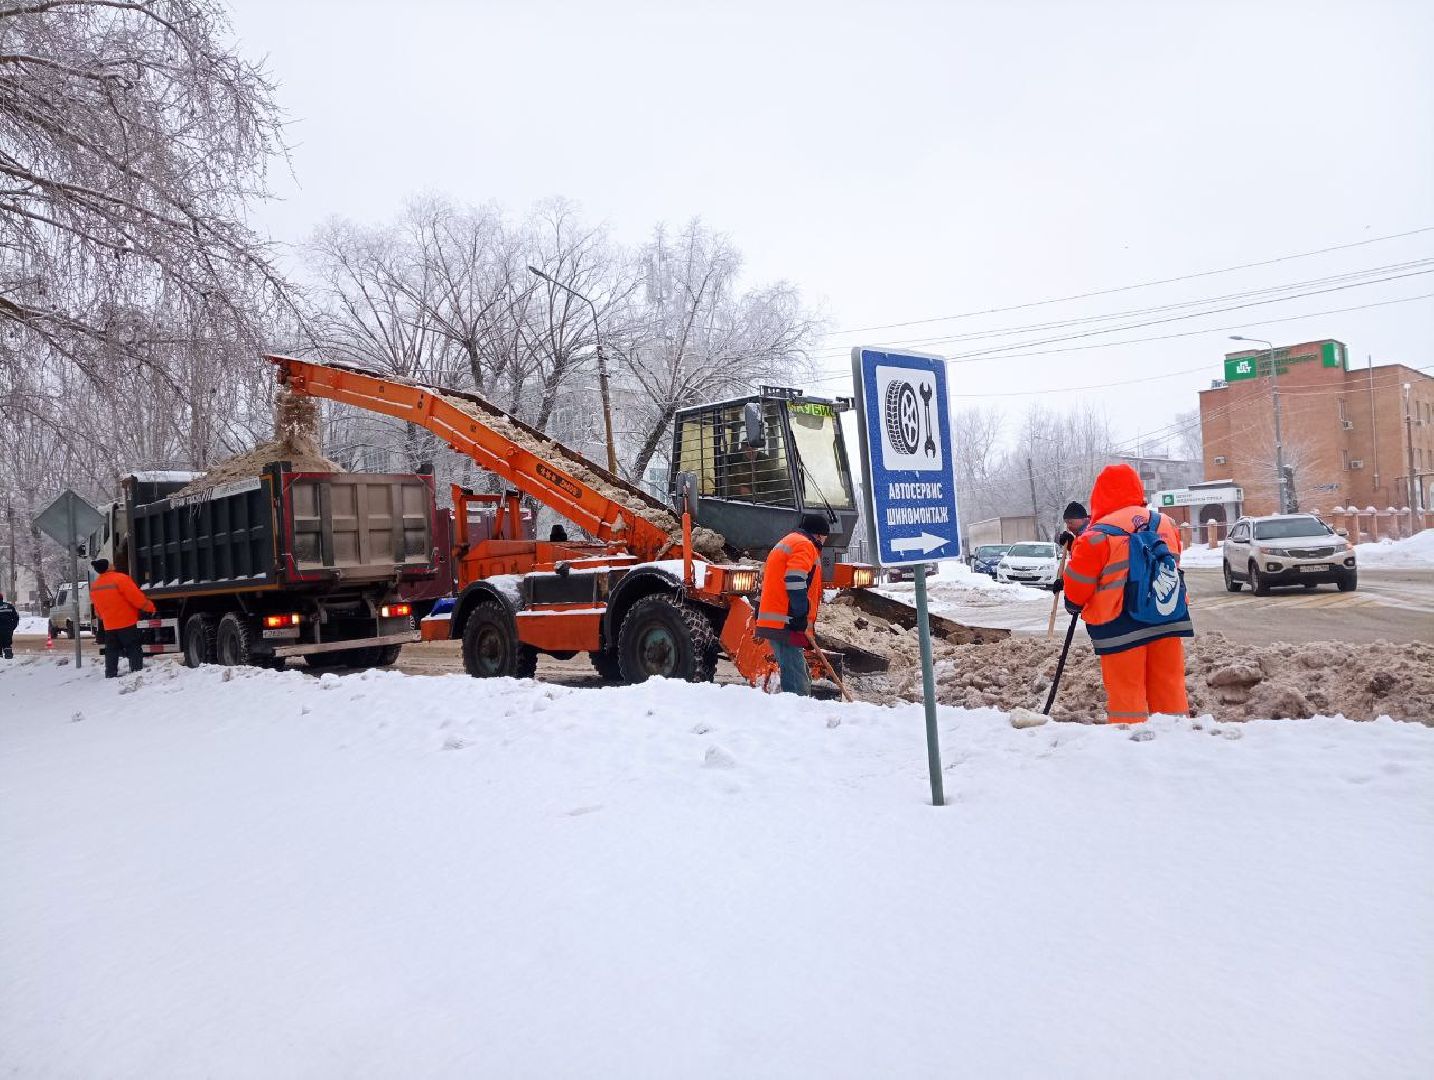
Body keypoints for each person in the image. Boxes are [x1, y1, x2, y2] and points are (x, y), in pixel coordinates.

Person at [1062, 464, 1192, 723]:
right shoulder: (1165, 524)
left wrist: (1072, 603)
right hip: (1167, 614)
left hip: (1120, 626)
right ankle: (1176, 734)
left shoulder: (1096, 535)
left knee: (1126, 691)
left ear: (1099, 494)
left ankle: (1129, 737)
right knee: (1169, 685)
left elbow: (1079, 581)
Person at [754, 513, 830, 695]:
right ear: (819, 534)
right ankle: (797, 710)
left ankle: (797, 706)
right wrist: (800, 614)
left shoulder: (789, 541)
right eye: (826, 537)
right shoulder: (804, 545)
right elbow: (795, 580)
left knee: (798, 672)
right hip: (786, 622)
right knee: (797, 682)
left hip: (778, 619)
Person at [89, 559, 156, 678]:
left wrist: (106, 617)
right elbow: (136, 597)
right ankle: (136, 672)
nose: (113, 564)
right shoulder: (121, 579)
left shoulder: (95, 586)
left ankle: (110, 674)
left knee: (111, 651)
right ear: (107, 567)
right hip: (126, 622)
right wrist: (150, 607)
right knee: (133, 648)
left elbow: (97, 610)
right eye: (110, 563)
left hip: (109, 625)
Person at [0, 591, 18, 660]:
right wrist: (12, 627)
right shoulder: (9, 606)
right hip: (8, 630)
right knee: (7, 644)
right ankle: (8, 657)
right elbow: (16, 617)